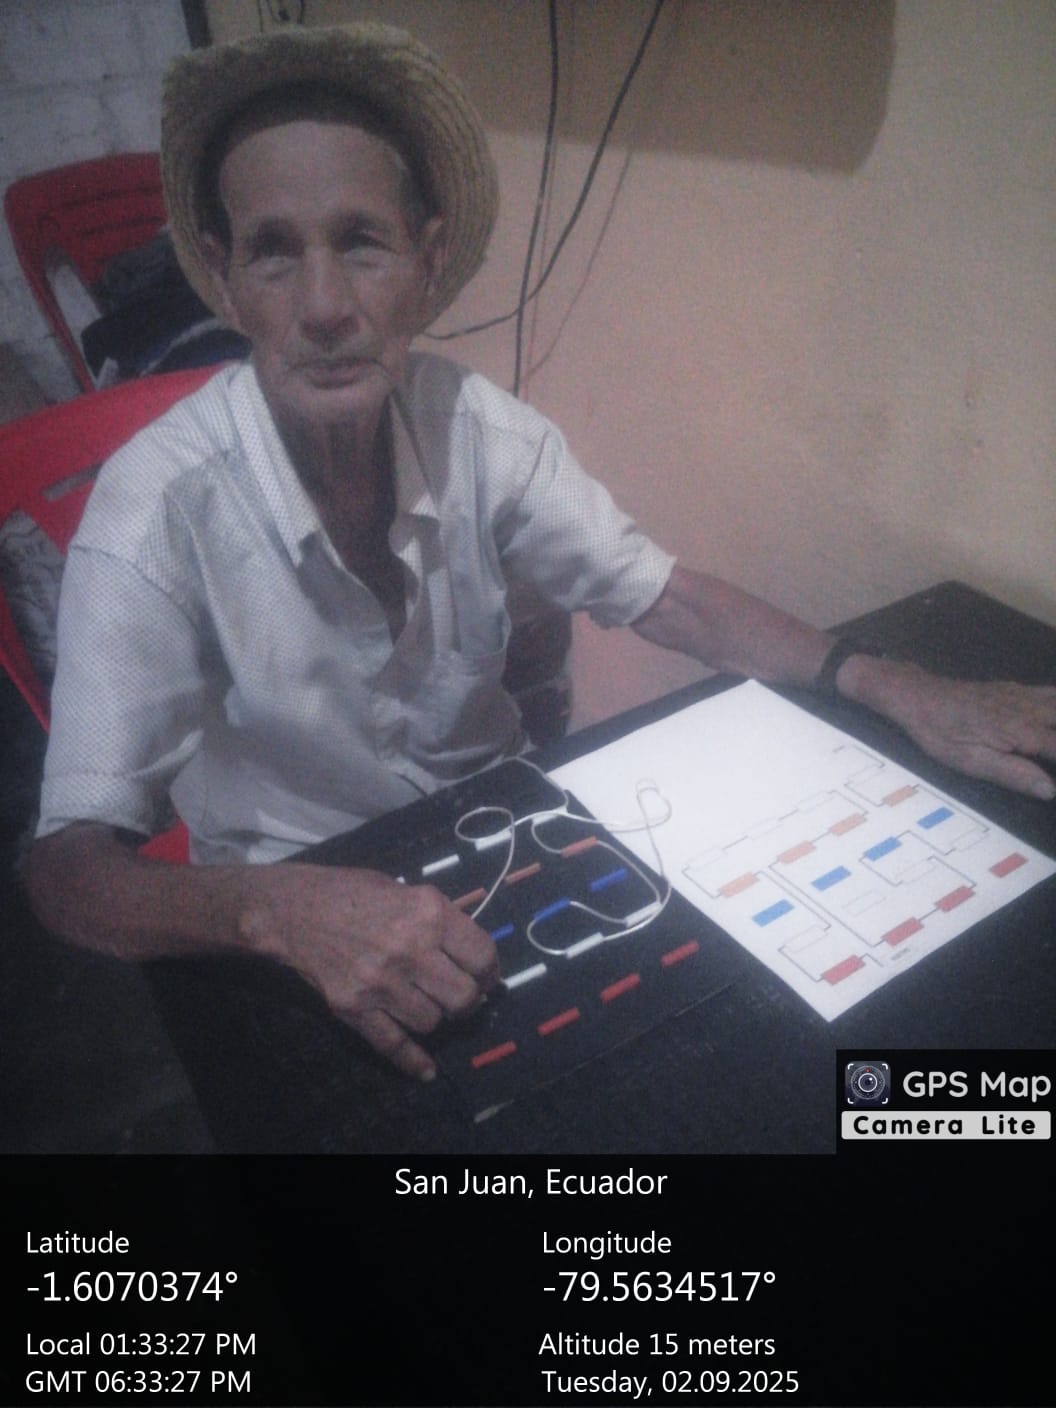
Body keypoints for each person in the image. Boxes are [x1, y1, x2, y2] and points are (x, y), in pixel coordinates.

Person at [26, 23, 1056, 1083]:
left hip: (506, 839)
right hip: (292, 915)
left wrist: (899, 684)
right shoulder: (153, 512)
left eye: (363, 242)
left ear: (427, 262)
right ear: (223, 274)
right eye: (274, 251)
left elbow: (670, 598)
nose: (324, 307)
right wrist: (273, 910)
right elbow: (67, 872)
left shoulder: (482, 432)